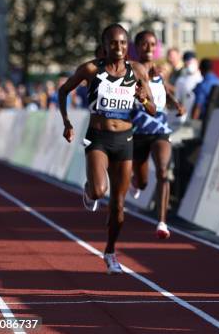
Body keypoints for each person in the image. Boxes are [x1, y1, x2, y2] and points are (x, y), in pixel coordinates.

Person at [58, 23, 156, 274]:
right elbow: (63, 91)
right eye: (114, 43)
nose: (119, 47)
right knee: (100, 191)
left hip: (124, 139)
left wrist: (142, 97)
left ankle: (110, 252)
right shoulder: (91, 69)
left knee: (118, 206)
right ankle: (90, 190)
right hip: (98, 138)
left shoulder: (137, 71)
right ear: (104, 46)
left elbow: (153, 109)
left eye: (123, 43)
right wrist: (67, 122)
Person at [128, 30, 186, 239]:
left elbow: (164, 93)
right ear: (136, 47)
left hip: (160, 130)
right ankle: (136, 181)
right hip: (138, 132)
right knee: (142, 183)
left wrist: (176, 104)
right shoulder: (131, 70)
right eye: (144, 44)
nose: (149, 48)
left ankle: (162, 222)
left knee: (163, 172)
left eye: (153, 44)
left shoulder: (157, 71)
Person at [174, 51, 203, 120]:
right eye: (187, 61)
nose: (189, 64)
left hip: (199, 116)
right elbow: (177, 100)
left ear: (196, 61)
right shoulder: (180, 80)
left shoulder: (202, 77)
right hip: (185, 117)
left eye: (191, 61)